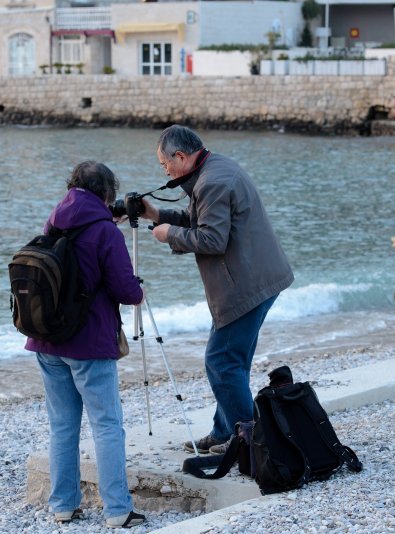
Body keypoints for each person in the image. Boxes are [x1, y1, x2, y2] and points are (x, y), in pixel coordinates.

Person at [140, 125, 294, 455]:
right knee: (231, 360)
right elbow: (201, 218)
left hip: (246, 284)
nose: (164, 171)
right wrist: (158, 214)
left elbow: (211, 238)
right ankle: (227, 431)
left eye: (164, 164)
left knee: (221, 362)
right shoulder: (214, 167)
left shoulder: (213, 181)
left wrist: (168, 234)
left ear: (180, 157)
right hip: (254, 278)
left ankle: (246, 441)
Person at [25, 161, 146, 529]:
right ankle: (117, 510)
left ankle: (63, 506)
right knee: (107, 425)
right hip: (89, 342)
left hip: (47, 339)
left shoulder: (55, 219)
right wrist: (140, 289)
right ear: (108, 194)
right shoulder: (107, 233)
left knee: (62, 425)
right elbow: (127, 291)